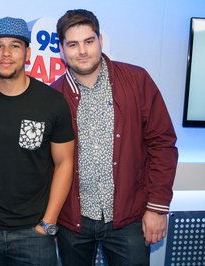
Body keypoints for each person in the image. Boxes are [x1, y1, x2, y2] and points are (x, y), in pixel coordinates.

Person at [51, 9, 179, 266]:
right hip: (73, 221)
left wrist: (156, 208)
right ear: (62, 49)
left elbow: (162, 144)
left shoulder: (137, 81)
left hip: (129, 219)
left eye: (89, 41)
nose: (83, 51)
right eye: (73, 44)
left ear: (100, 40)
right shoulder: (53, 96)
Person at [0, 16, 75, 265]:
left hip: (34, 233)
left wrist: (49, 222)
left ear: (28, 53)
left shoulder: (52, 103)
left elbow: (64, 163)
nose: (6, 53)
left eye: (15, 45)